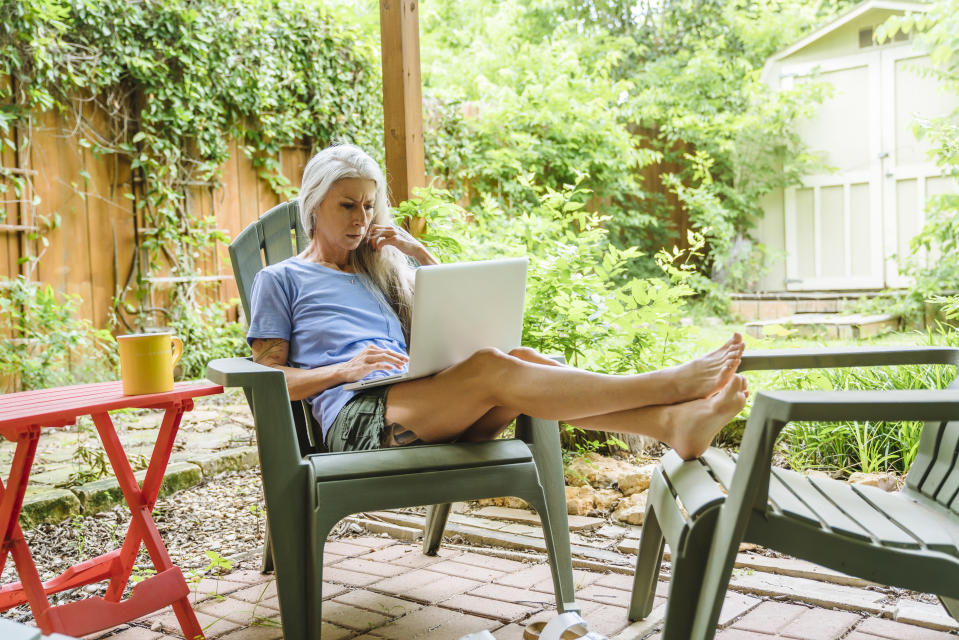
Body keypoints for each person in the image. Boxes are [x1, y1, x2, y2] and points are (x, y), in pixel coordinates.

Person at [247, 144, 748, 460]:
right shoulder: (281, 278)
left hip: (420, 402)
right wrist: (343, 370)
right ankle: (668, 386)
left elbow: (459, 318)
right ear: (313, 206)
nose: (361, 217)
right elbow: (267, 382)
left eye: (369, 205)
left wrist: (417, 253)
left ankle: (671, 424)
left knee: (521, 361)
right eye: (347, 205)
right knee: (492, 367)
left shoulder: (377, 272)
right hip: (359, 419)